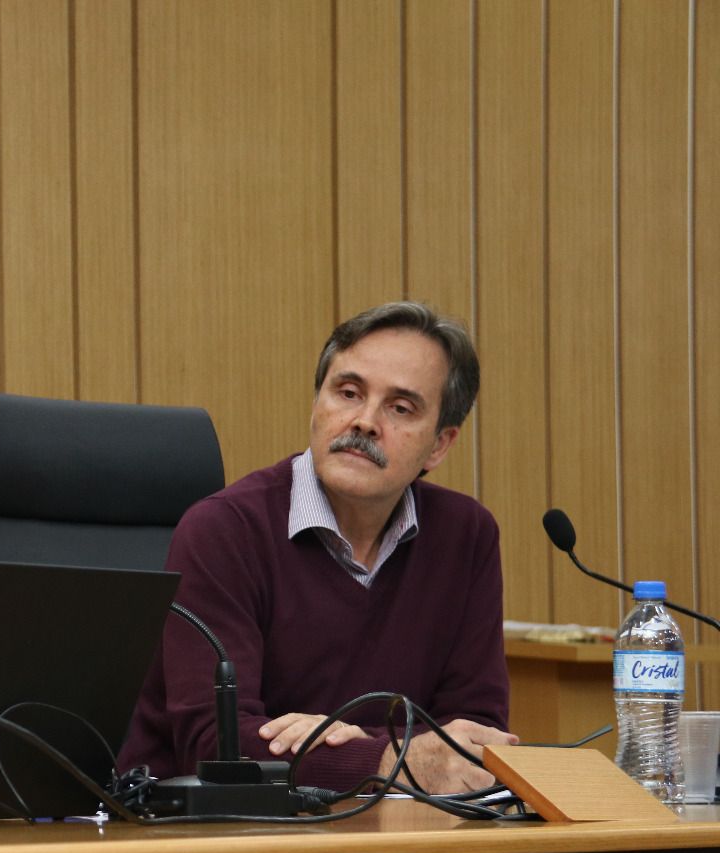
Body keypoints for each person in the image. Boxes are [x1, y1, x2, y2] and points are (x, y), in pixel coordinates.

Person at [118, 301, 516, 795]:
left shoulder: (465, 536)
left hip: (391, 826)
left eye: (400, 408)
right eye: (348, 393)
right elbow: (215, 746)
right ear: (317, 403)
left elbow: (474, 738)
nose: (364, 421)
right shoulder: (223, 531)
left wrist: (352, 745)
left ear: (439, 444)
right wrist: (392, 757)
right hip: (204, 830)